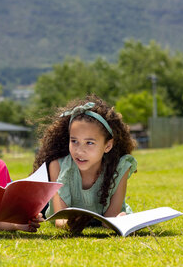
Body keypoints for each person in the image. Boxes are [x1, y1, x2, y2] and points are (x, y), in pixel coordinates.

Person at [33, 95, 137, 234]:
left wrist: (119, 220)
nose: (79, 151)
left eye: (89, 143)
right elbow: (60, 220)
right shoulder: (57, 166)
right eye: (74, 141)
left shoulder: (120, 167)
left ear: (108, 145)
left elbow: (110, 219)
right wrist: (71, 224)